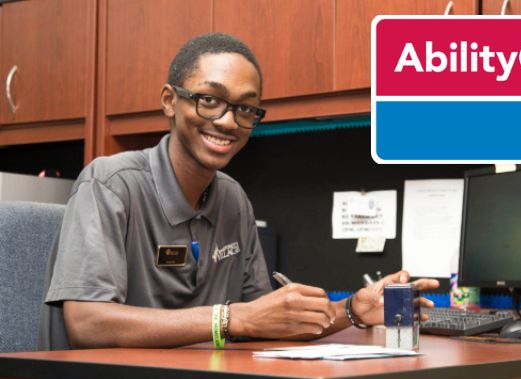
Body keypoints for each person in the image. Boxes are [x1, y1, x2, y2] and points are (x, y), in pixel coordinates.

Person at [38, 33, 439, 350]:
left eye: (246, 109)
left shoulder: (232, 200)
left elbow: (266, 322)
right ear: (169, 101)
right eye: (210, 100)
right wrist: (231, 319)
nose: (228, 121)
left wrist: (351, 310)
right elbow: (87, 322)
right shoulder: (109, 184)